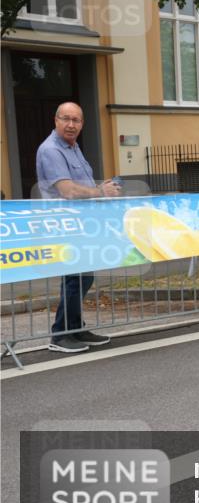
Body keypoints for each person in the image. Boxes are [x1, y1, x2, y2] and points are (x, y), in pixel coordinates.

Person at [35, 102, 121, 353]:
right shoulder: (51, 150)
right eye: (66, 119)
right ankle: (60, 335)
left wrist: (100, 188)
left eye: (76, 120)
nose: (71, 124)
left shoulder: (73, 148)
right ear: (56, 120)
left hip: (83, 224)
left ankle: (75, 327)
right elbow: (68, 190)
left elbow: (81, 184)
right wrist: (100, 191)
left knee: (83, 276)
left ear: (82, 124)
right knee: (74, 278)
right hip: (64, 223)